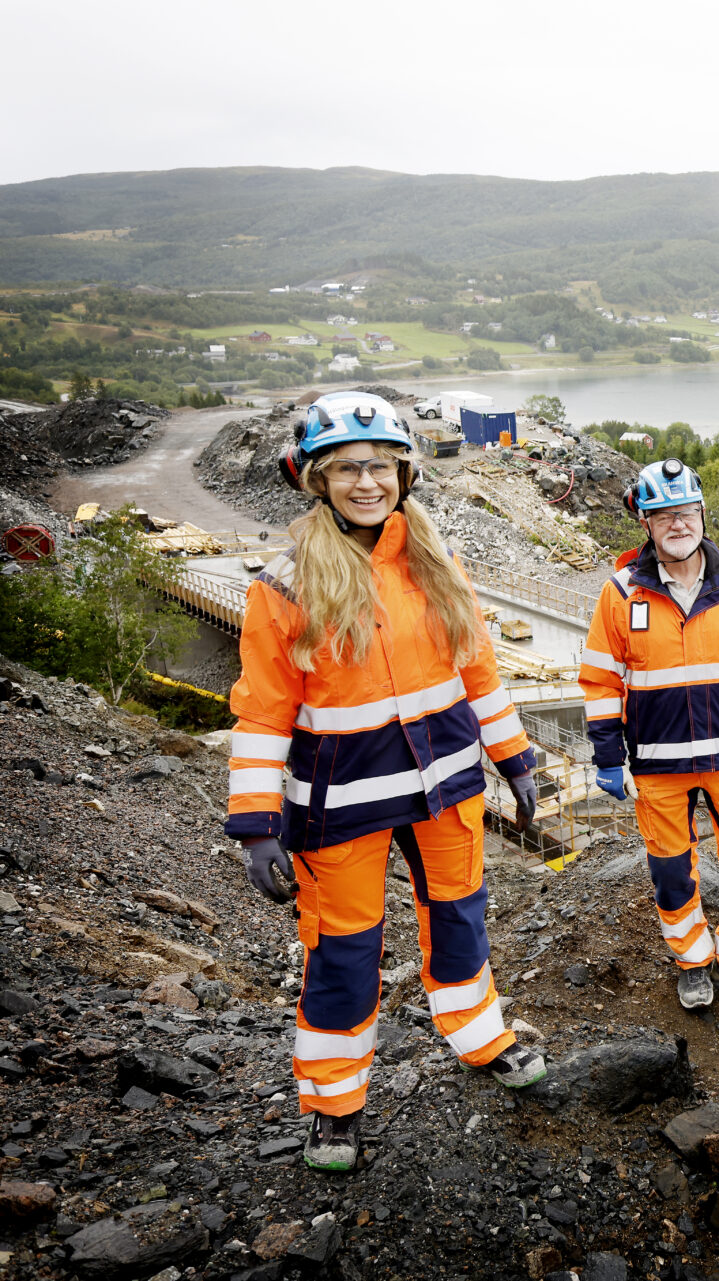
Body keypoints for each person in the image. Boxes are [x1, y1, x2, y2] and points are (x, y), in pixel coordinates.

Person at [226, 391, 548, 1173]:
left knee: (461, 920)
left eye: (380, 465)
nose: (366, 481)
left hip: (444, 788)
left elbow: (477, 668)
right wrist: (256, 822)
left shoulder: (433, 562)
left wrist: (515, 758)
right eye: (346, 468)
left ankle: (482, 1038)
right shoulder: (287, 582)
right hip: (343, 802)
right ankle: (335, 1105)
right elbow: (265, 711)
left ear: (405, 472)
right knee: (343, 951)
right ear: (315, 479)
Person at [579, 457, 719, 1013]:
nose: (678, 524)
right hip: (658, 764)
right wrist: (608, 757)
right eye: (663, 515)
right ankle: (692, 961)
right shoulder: (621, 593)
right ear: (646, 524)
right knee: (671, 869)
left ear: (702, 515)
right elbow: (601, 678)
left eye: (686, 512)